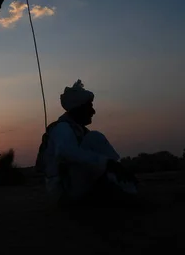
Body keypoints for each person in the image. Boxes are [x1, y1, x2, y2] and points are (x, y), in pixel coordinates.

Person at [39, 79, 139, 207]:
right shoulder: (63, 128)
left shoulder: (78, 130)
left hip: (72, 187)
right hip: (63, 192)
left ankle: (124, 187)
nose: (93, 111)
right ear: (78, 109)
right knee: (95, 138)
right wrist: (107, 163)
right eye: (89, 106)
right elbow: (65, 152)